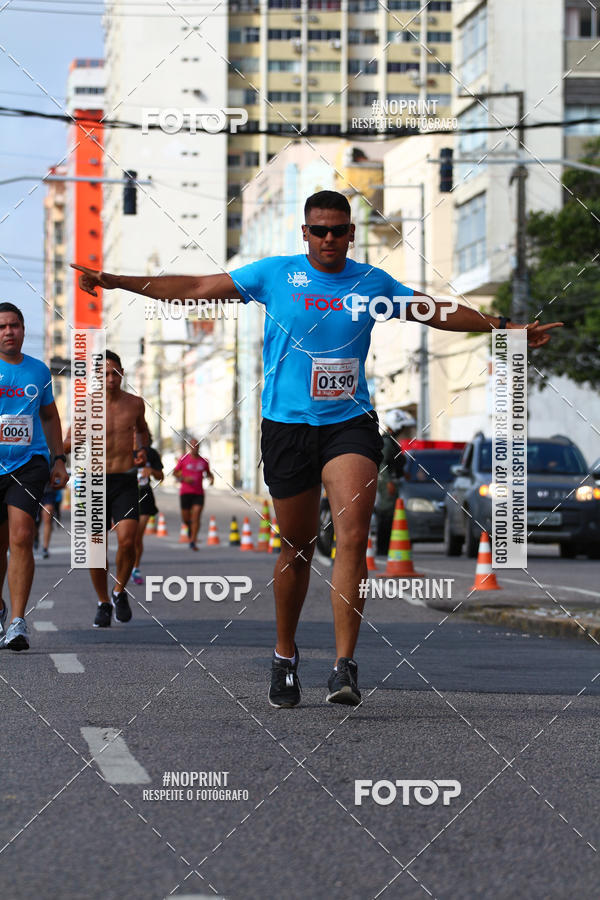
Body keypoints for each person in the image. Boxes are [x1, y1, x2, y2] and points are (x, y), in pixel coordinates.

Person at [72, 189, 563, 707]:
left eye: (339, 230)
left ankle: (345, 665)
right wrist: (114, 281)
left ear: (352, 233)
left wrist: (505, 328)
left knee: (352, 536)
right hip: (286, 427)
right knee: (298, 548)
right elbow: (194, 286)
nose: (329, 238)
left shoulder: (372, 284)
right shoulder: (274, 275)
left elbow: (434, 310)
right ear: (304, 233)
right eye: (319, 230)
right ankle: (285, 655)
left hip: (349, 421)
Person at [0, 302, 68, 650]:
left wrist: (59, 459)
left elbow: (50, 416)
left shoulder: (39, 371)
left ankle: (17, 621)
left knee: (22, 536)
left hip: (29, 462)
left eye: (14, 325)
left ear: (24, 330)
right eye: (2, 327)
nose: (9, 331)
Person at [64, 350, 149, 627]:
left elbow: (143, 430)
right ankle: (103, 602)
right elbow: (69, 441)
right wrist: (53, 453)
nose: (111, 378)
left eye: (115, 373)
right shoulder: (86, 406)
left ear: (123, 373)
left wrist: (142, 449)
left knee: (128, 540)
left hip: (124, 479)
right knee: (97, 549)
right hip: (94, 481)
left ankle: (119, 590)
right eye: (104, 374)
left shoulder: (135, 403)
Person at [376, 409, 415, 556]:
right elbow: (383, 463)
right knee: (386, 514)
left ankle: (389, 546)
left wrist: (401, 472)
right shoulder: (387, 442)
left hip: (391, 480)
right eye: (403, 427)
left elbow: (396, 462)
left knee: (393, 514)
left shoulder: (391, 442)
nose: (404, 430)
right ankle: (382, 548)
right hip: (387, 482)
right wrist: (387, 482)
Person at [132, 434, 164, 584]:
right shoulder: (121, 451)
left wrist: (150, 470)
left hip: (144, 496)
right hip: (124, 496)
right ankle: (125, 566)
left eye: (137, 433)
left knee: (137, 536)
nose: (134, 436)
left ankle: (135, 568)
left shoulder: (151, 453)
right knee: (126, 539)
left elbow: (161, 476)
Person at [173, 438, 214, 550]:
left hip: (198, 493)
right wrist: (184, 478)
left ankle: (193, 541)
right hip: (185, 492)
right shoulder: (183, 459)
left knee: (196, 516)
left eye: (196, 445)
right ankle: (190, 528)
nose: (194, 447)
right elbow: (175, 473)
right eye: (192, 446)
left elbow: (209, 473)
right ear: (189, 447)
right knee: (186, 518)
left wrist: (211, 479)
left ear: (199, 447)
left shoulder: (204, 461)